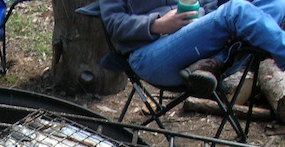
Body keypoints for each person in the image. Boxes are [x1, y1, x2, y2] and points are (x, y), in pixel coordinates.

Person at [99, 0, 285, 96]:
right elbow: (114, 22)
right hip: (151, 54)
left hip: (198, 39)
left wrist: (206, 17)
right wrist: (157, 24)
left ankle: (214, 62)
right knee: (237, 11)